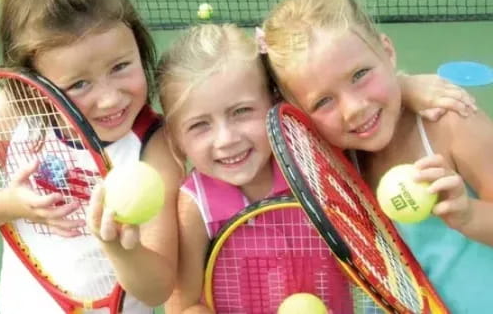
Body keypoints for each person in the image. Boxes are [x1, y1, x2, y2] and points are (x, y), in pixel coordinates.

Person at [155, 22, 477, 313]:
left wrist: (405, 87)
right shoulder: (194, 207)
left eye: (241, 111)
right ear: (176, 139)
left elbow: (358, 115)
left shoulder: (313, 158)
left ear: (275, 101)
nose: (226, 139)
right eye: (200, 125)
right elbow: (183, 305)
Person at [261, 0, 493, 312]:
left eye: (360, 74)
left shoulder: (450, 122)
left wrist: (467, 215)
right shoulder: (331, 160)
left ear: (388, 51)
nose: (354, 108)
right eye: (323, 101)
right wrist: (402, 87)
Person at [0, 0, 182, 313]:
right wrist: (8, 204)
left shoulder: (155, 147)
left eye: (120, 66)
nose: (111, 98)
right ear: (34, 85)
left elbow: (158, 288)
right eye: (79, 84)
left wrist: (119, 248)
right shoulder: (13, 114)